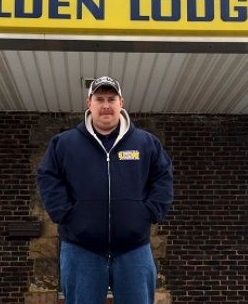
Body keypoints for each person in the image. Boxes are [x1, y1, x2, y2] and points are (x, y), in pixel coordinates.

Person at [36, 76, 173, 304]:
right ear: (89, 103)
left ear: (122, 102)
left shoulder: (146, 143)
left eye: (112, 99)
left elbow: (163, 177)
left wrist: (149, 212)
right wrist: (66, 214)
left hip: (134, 249)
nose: (106, 105)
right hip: (81, 249)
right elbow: (47, 175)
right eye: (100, 99)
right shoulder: (65, 143)